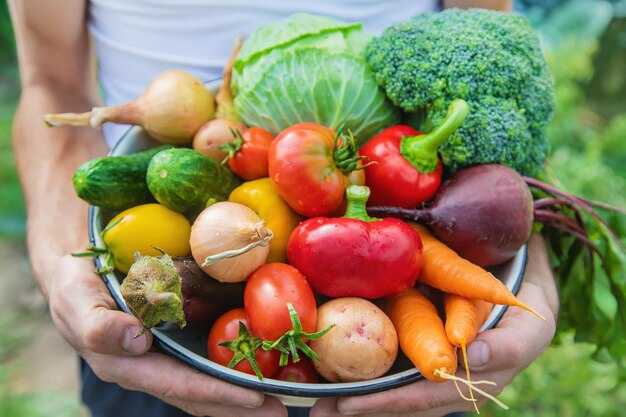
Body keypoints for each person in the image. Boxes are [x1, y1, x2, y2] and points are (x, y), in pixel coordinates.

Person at [9, 0, 558, 416]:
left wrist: (519, 243)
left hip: (412, 304)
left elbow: (492, 84)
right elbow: (50, 85)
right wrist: (64, 263)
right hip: (154, 332)